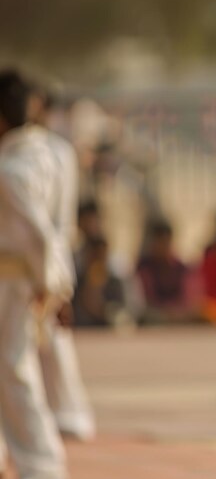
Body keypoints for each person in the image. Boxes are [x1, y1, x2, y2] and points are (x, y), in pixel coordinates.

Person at [0, 69, 68, 478]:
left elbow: (42, 234)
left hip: (14, 280)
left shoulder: (13, 170)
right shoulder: (44, 153)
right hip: (20, 277)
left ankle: (40, 463)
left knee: (15, 368)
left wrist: (49, 283)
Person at [27, 82, 96, 441]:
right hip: (42, 255)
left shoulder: (47, 152)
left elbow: (53, 222)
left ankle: (68, 412)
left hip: (42, 256)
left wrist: (54, 275)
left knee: (50, 337)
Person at [136, 219, 196, 324]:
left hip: (178, 313)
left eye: (165, 241)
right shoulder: (144, 267)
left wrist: (176, 310)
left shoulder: (179, 267)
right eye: (159, 242)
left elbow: (187, 297)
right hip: (156, 313)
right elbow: (146, 298)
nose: (162, 246)